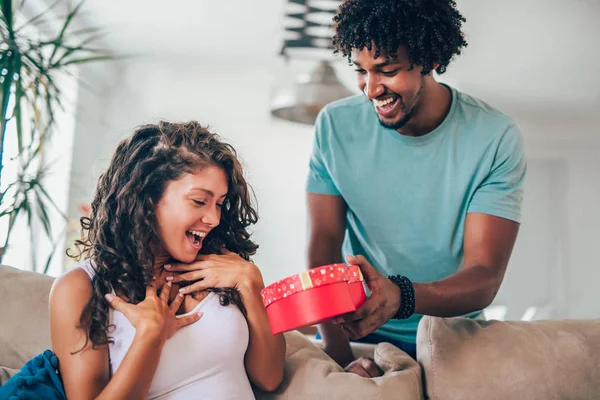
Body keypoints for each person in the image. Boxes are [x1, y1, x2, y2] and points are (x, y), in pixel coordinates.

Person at [306, 0, 526, 376]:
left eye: (387, 71)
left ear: (431, 60)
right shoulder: (334, 126)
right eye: (361, 70)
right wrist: (340, 354)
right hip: (359, 331)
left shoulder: (495, 137)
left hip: (454, 333)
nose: (371, 89)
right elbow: (324, 244)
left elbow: (485, 273)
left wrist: (401, 296)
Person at [50, 121, 285, 399]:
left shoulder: (223, 267)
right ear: (147, 198)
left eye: (219, 203)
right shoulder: (82, 288)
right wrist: (150, 335)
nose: (213, 219)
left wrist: (251, 281)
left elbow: (269, 379)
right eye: (199, 201)